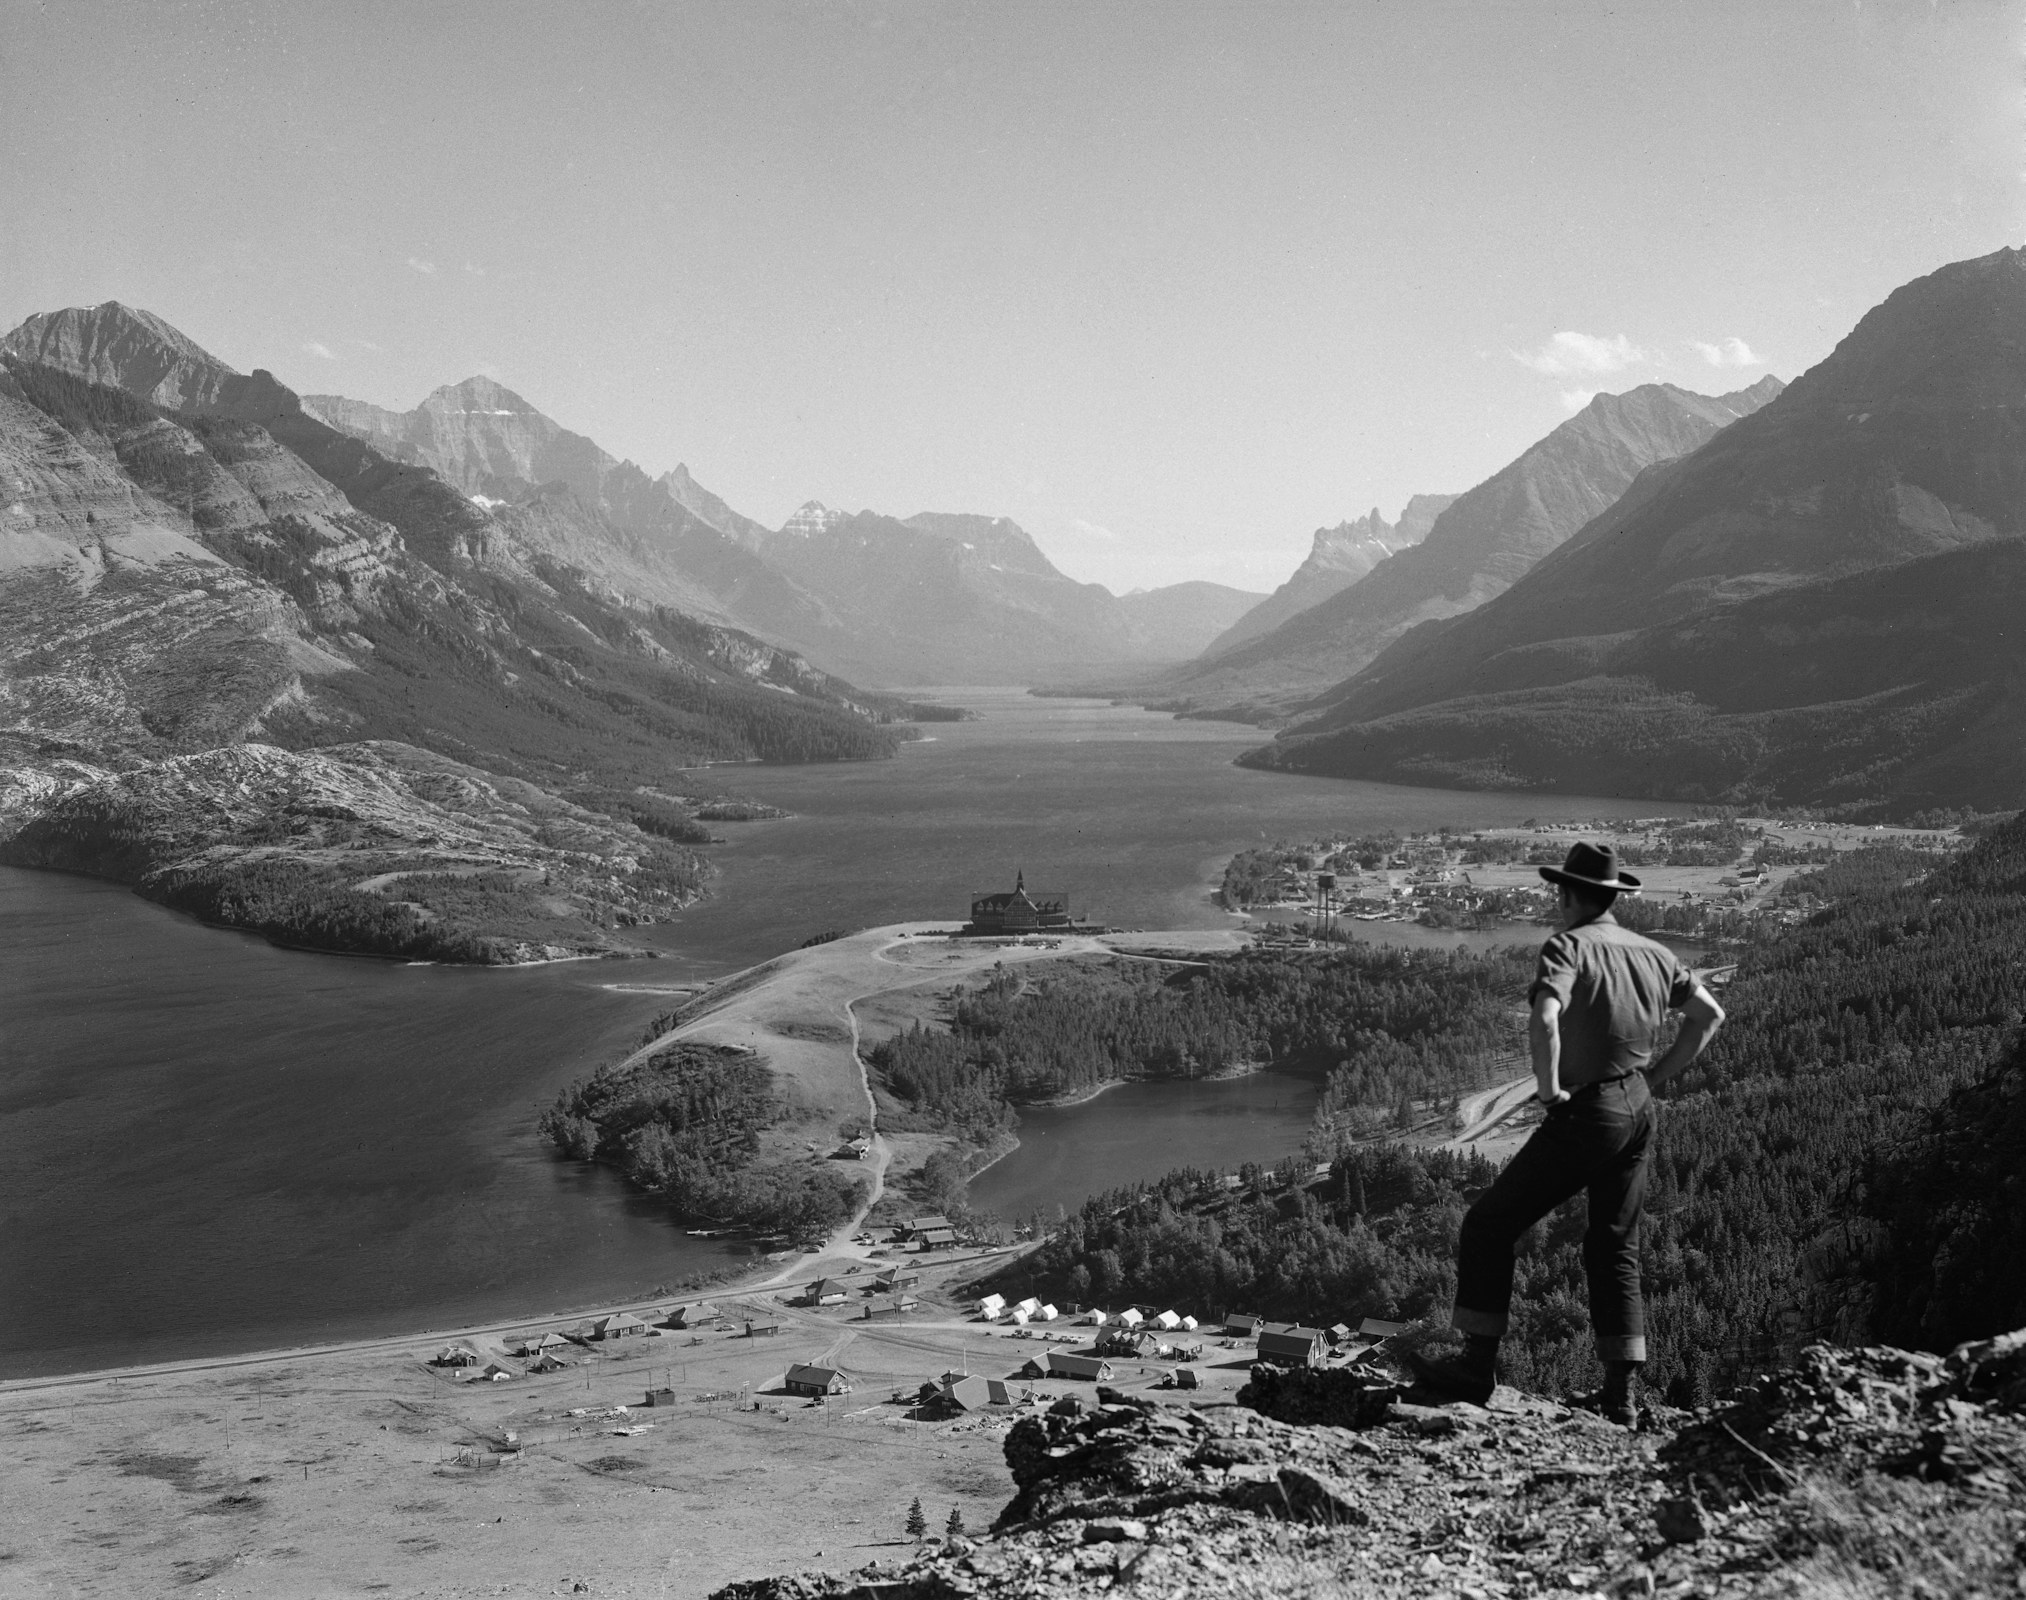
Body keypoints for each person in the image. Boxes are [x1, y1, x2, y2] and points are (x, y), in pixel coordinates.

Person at [1407, 840, 1725, 1426]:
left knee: (1488, 1224)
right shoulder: (1654, 954)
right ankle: (1621, 1398)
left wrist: (1549, 1088)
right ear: (1614, 895)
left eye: (1560, 891)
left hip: (1588, 1111)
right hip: (1637, 1110)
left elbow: (1547, 1017)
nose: (1557, 900)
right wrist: (1655, 1076)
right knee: (1613, 1248)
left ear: (1571, 894)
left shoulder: (1568, 946)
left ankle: (1476, 1367)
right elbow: (1710, 1016)